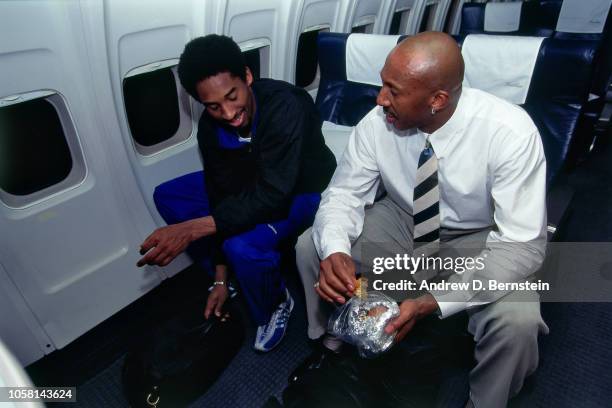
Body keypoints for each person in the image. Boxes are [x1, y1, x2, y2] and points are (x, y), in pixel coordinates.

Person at [294, 31, 549, 406]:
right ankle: (333, 339)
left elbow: (521, 246)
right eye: (382, 84)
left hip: (481, 233)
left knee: (517, 323)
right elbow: (345, 194)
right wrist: (335, 250)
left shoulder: (510, 133)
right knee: (310, 248)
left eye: (393, 90)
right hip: (403, 215)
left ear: (438, 100)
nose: (380, 99)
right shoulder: (376, 122)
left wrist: (432, 301)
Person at [137, 34, 336, 352]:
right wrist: (218, 275)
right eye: (214, 106)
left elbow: (275, 194)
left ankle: (274, 303)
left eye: (233, 96)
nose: (228, 113)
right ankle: (227, 280)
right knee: (170, 196)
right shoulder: (210, 128)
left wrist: (192, 229)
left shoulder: (288, 105)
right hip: (254, 183)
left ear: (247, 76)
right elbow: (220, 194)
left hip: (304, 191)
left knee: (241, 245)